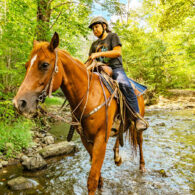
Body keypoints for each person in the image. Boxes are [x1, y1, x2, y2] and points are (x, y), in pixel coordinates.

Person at [88, 16, 148, 132]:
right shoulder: (94, 45)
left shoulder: (112, 37)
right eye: (93, 29)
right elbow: (90, 59)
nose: (94, 30)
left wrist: (99, 55)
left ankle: (137, 117)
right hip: (98, 70)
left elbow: (117, 52)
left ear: (104, 26)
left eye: (96, 27)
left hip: (115, 68)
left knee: (124, 84)